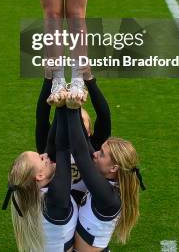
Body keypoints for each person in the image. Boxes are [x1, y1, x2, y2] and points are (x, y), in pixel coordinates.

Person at [66, 105, 143, 251]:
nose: (94, 154)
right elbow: (84, 143)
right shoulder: (108, 183)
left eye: (101, 153)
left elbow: (79, 152)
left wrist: (71, 108)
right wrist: (76, 104)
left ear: (114, 168)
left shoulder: (107, 195)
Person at [4, 108, 77, 252]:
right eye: (40, 158)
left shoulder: (24, 194)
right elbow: (62, 148)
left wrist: (59, 105)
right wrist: (70, 109)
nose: (45, 154)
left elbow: (51, 140)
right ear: (40, 176)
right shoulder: (54, 201)